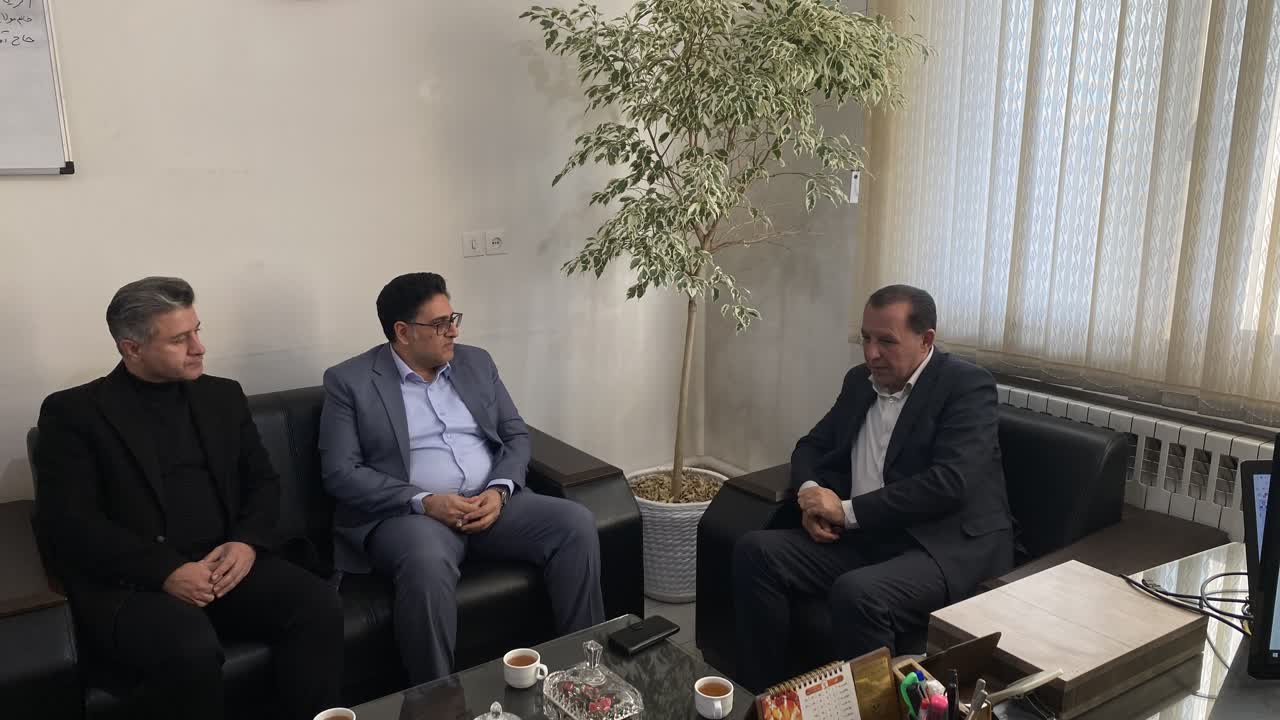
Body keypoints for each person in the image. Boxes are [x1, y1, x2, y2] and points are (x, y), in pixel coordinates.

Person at [33, 277, 344, 720]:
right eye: (180, 339)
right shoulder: (74, 414)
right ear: (132, 348)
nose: (199, 347)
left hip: (226, 563)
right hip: (139, 582)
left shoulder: (222, 395)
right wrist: (166, 571)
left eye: (197, 330)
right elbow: (73, 524)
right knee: (190, 649)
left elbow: (262, 482)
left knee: (318, 605)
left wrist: (246, 543)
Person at [318, 272, 604, 683]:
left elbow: (515, 435)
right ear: (402, 332)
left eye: (453, 319)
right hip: (411, 517)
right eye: (440, 324)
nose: (453, 331)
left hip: (492, 504)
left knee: (575, 523)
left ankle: (583, 676)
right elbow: (341, 474)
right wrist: (425, 501)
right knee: (426, 562)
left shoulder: (476, 362)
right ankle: (436, 698)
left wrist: (500, 490)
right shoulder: (350, 381)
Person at [732, 284, 1013, 692]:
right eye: (866, 338)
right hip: (868, 536)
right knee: (755, 551)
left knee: (858, 594)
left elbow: (950, 483)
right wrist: (812, 499)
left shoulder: (966, 386)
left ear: (926, 339)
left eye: (886, 341)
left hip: (939, 546)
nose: (871, 353)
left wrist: (845, 512)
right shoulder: (860, 382)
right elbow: (811, 446)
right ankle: (768, 701)